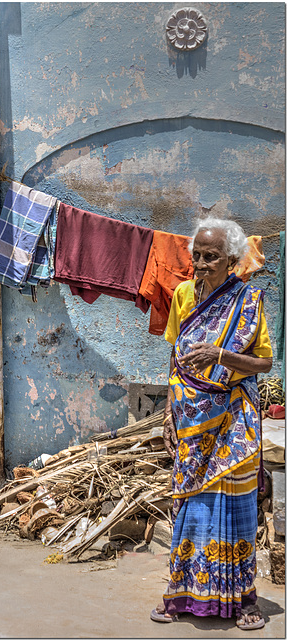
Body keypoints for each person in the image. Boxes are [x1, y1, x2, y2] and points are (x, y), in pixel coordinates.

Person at [151, 217, 273, 630]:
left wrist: (221, 357)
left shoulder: (247, 300)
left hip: (234, 419)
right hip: (191, 420)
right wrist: (169, 412)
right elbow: (175, 358)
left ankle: (243, 601)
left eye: (211, 257)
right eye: (197, 256)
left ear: (232, 259)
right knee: (191, 506)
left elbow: (264, 363)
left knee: (236, 506)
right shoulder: (184, 294)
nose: (201, 264)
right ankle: (182, 593)